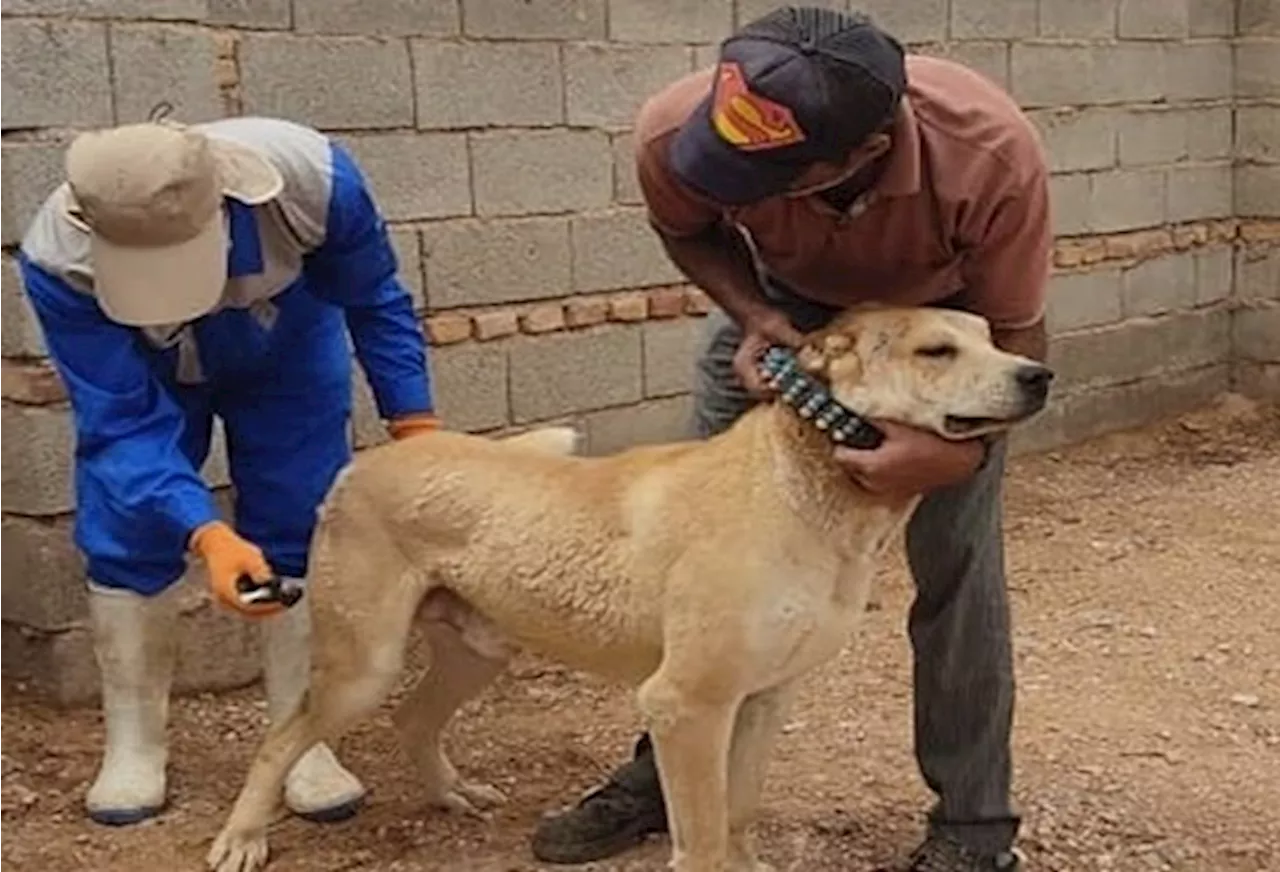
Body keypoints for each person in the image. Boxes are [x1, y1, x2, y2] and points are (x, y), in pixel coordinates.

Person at [530, 6, 1051, 872]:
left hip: (936, 340)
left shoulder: (989, 158)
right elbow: (685, 226)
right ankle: (664, 778)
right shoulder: (681, 128)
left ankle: (973, 824)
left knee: (956, 568)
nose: (733, 186)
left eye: (763, 177)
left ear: (863, 154)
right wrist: (756, 316)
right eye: (727, 167)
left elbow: (1015, 338)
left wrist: (960, 452)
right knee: (698, 555)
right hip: (782, 307)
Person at [17, 114, 440, 827]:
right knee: (129, 520)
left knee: (304, 508)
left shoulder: (313, 183)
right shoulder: (58, 257)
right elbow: (121, 424)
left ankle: (301, 739)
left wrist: (416, 424)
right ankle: (135, 746)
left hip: (286, 339)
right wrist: (208, 537)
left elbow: (374, 300)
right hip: (145, 363)